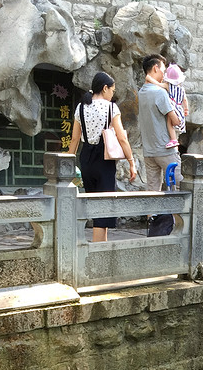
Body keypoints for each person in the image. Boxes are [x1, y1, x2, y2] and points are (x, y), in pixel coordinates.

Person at [67, 71, 137, 243]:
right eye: (112, 90)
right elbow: (121, 137)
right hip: (104, 159)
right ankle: (99, 251)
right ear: (105, 88)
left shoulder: (81, 107)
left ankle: (96, 247)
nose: (112, 94)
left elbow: (75, 138)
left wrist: (67, 163)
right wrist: (131, 161)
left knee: (92, 203)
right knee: (103, 208)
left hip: (86, 158)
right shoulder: (111, 107)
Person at [137, 54, 182, 235]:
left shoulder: (142, 92)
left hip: (149, 151)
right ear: (155, 68)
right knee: (181, 185)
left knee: (152, 190)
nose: (164, 73)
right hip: (166, 149)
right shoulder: (159, 93)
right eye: (163, 69)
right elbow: (175, 120)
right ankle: (179, 228)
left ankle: (154, 230)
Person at [152, 63, 188, 149]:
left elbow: (158, 84)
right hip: (180, 110)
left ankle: (173, 140)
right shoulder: (181, 89)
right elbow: (185, 100)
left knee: (170, 123)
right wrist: (186, 109)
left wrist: (149, 78)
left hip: (172, 109)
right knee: (176, 128)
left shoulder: (168, 86)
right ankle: (175, 139)